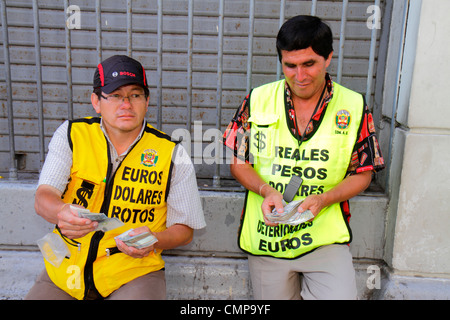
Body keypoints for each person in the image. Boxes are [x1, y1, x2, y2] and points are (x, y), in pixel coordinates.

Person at [223, 15, 385, 300]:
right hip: (267, 238)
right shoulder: (257, 99)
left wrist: (323, 200)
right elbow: (238, 161)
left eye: (309, 64)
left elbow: (365, 172)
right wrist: (265, 190)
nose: (300, 76)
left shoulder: (354, 105)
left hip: (324, 238)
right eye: (290, 65)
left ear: (328, 59)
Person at [26, 55, 206, 300]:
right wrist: (62, 212)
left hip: (132, 271)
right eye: (115, 95)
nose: (126, 104)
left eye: (135, 95)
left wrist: (154, 240)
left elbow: (185, 231)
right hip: (66, 269)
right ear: (96, 102)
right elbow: (43, 198)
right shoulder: (72, 135)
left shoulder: (172, 153)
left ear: (147, 100)